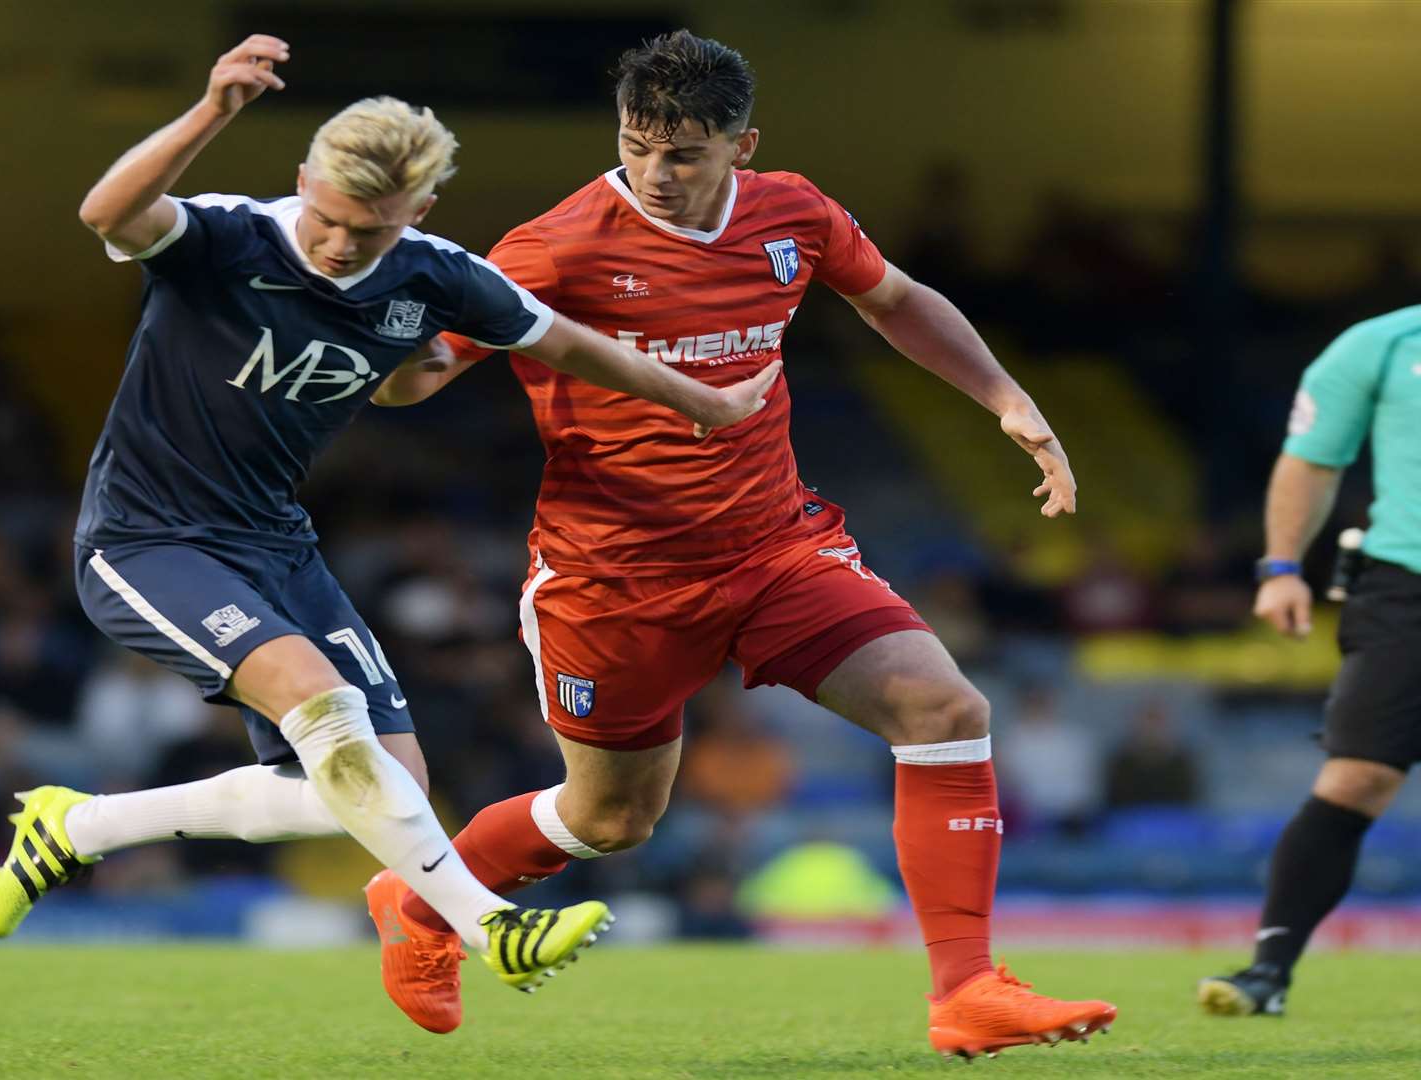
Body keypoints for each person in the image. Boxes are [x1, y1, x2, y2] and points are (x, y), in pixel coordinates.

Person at [0, 34, 780, 1000]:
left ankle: (77, 829)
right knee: (329, 713)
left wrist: (703, 401)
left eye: (374, 228)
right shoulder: (229, 240)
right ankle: (490, 929)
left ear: (420, 212)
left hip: (275, 542)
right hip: (148, 540)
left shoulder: (433, 273)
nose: (344, 243)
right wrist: (212, 111)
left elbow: (567, 342)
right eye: (331, 215)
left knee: (361, 787)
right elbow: (107, 212)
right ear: (304, 177)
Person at [365, 31, 1117, 1055]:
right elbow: (416, 377)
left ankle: (966, 990)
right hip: (613, 581)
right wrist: (376, 327)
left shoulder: (792, 213)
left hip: (773, 548)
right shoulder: (557, 245)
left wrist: (1005, 398)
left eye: (683, 155)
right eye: (637, 148)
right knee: (610, 820)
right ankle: (416, 907)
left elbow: (893, 298)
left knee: (944, 705)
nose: (656, 175)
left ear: (741, 146)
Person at [1199, 305, 1421, 1017]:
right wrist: (1282, 567)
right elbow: (1312, 457)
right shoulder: (1382, 344)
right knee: (1357, 777)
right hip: (1405, 587)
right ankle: (1268, 971)